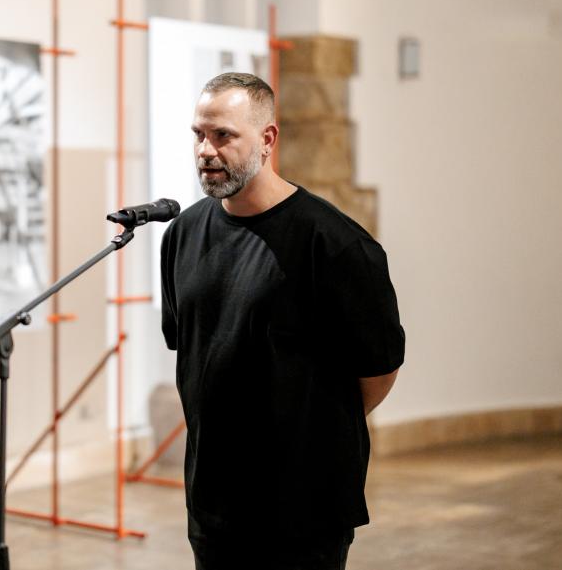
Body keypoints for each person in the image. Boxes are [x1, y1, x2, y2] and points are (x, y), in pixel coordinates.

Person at [160, 73, 404, 570]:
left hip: (303, 507)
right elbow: (193, 352)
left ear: (267, 140)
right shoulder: (182, 234)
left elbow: (377, 371)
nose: (206, 150)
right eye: (198, 134)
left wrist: (307, 424)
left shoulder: (334, 244)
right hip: (212, 502)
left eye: (223, 135)